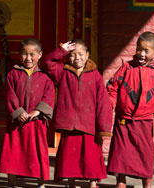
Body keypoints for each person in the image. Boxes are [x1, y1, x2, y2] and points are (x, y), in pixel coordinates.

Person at [40, 39, 113, 188]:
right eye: (72, 55)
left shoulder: (95, 76)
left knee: (91, 158)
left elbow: (103, 103)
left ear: (87, 55)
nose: (76, 58)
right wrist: (61, 50)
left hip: (89, 124)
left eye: (80, 54)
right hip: (69, 124)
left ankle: (93, 184)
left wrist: (103, 128)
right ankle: (71, 183)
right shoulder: (63, 71)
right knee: (69, 158)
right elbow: (47, 63)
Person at [106, 31, 154, 188]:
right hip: (124, 119)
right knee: (120, 153)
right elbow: (112, 87)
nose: (142, 54)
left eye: (147, 51)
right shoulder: (126, 68)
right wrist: (110, 105)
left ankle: (146, 185)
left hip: (145, 120)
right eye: (139, 49)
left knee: (145, 154)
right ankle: (121, 183)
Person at [0, 38, 55, 188]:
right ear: (19, 55)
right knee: (13, 152)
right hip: (17, 121)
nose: (28, 58)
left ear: (40, 54)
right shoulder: (13, 74)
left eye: (32, 54)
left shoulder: (45, 76)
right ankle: (11, 182)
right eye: (24, 54)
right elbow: (10, 95)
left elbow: (49, 96)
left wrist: (36, 112)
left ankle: (41, 183)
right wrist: (18, 112)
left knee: (38, 152)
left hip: (36, 121)